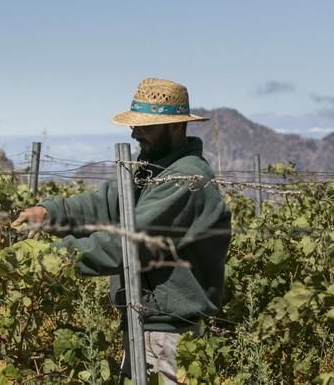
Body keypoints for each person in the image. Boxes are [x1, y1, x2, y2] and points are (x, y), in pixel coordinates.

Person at [12, 78, 231, 384]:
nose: (135, 133)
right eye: (135, 125)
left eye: (146, 126)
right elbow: (104, 204)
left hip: (169, 333)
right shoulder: (154, 168)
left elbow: (127, 244)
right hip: (146, 324)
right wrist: (50, 212)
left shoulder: (186, 179)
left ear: (176, 127)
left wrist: (51, 258)